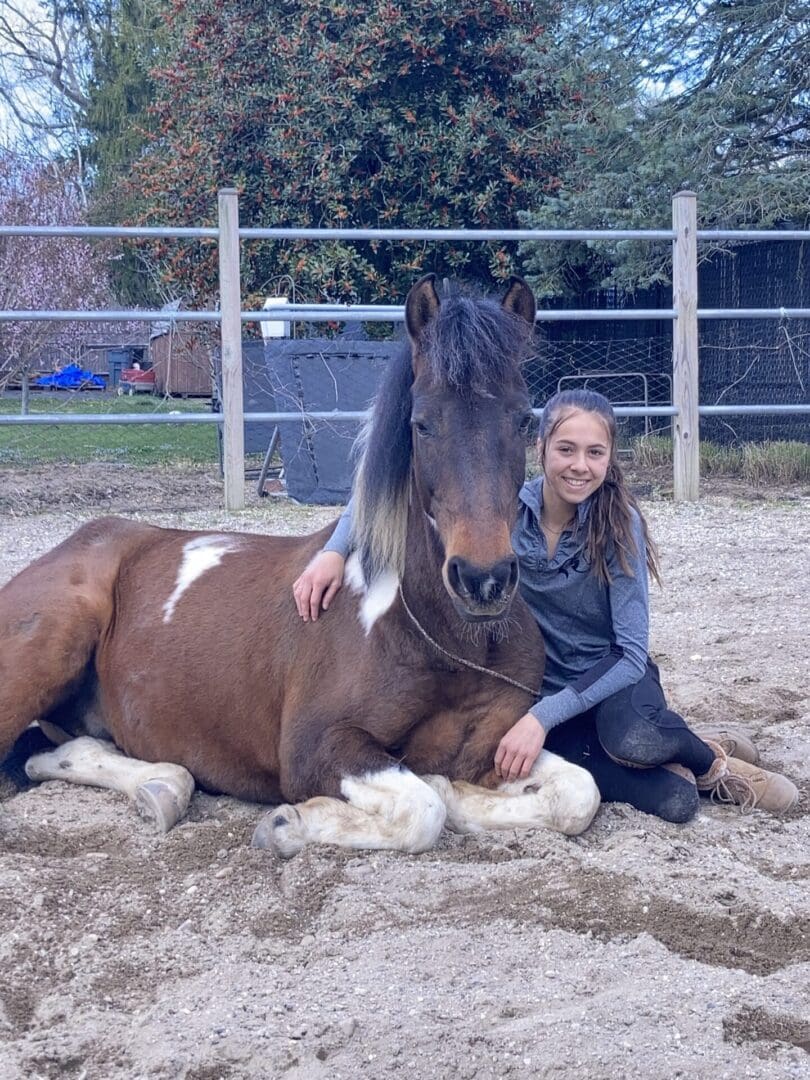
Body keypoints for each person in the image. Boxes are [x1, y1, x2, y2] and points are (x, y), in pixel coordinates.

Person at [292, 389, 798, 822]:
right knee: (675, 800)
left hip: (610, 679)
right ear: (540, 448)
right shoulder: (509, 512)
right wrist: (335, 550)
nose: (579, 465)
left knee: (637, 738)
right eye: (566, 449)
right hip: (544, 694)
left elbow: (630, 652)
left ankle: (712, 759)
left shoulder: (621, 528)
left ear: (609, 458)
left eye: (594, 453)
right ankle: (689, 754)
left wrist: (539, 720)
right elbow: (392, 487)